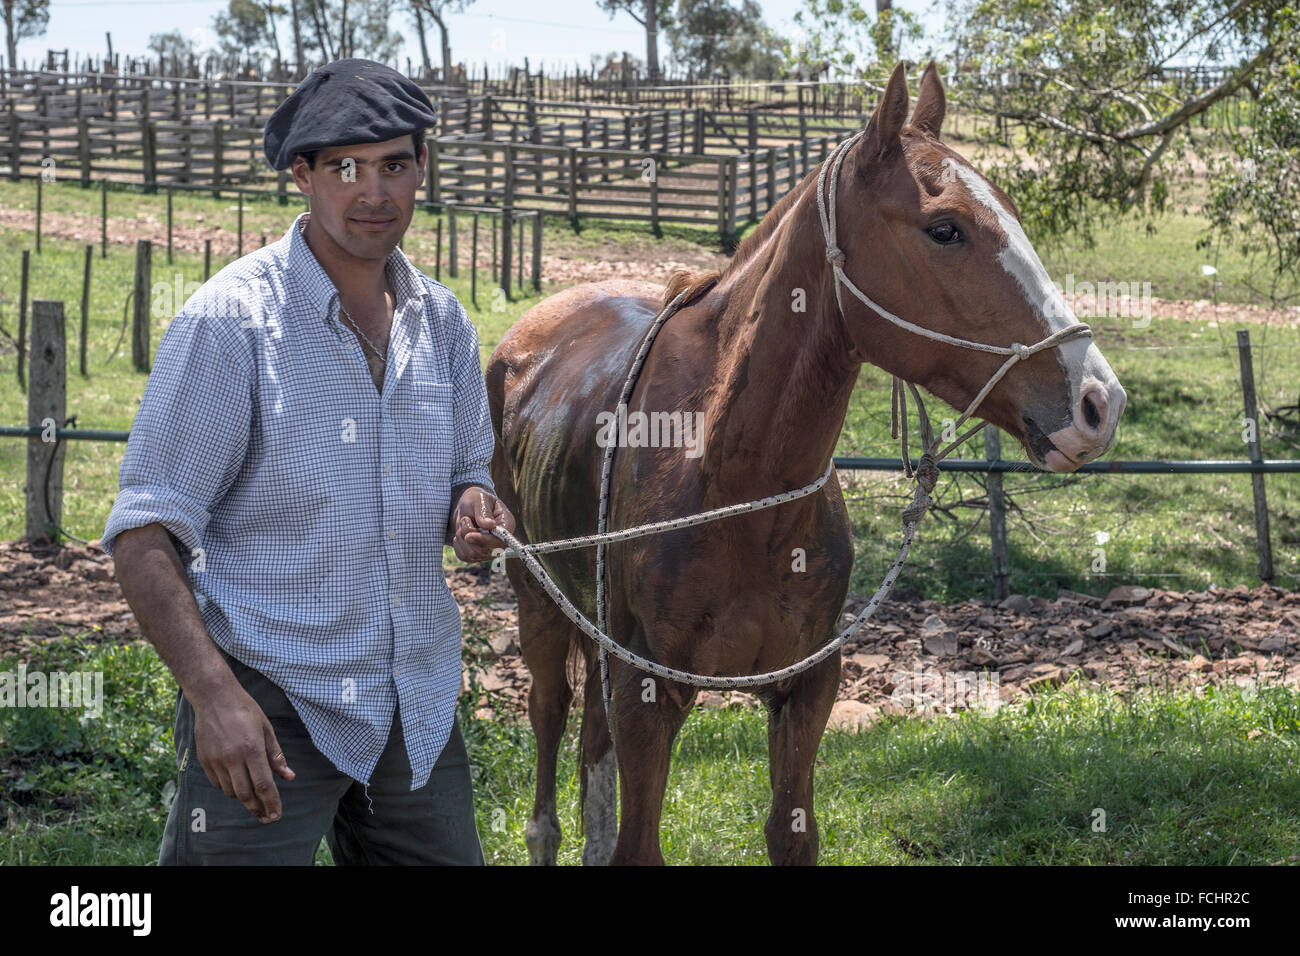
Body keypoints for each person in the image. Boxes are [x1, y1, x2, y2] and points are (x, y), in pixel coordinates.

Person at [101, 58, 516, 865]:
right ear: (303, 175)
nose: (375, 193)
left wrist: (472, 503)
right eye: (346, 169)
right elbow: (144, 533)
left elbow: (472, 468)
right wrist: (214, 696)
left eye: (396, 164)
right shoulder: (232, 324)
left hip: (413, 701)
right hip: (268, 698)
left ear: (422, 169)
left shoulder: (446, 324)